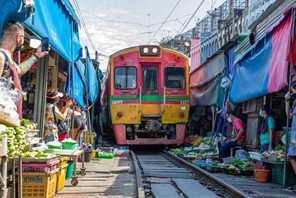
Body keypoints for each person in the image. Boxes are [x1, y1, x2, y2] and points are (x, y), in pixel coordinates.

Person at [0, 20, 50, 119]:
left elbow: (19, 70)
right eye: (24, 37)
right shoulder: (1, 57)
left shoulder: (7, 58)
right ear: (18, 38)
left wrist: (37, 55)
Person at [285, 81, 296, 191]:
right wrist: (287, 101)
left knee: (292, 157)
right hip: (294, 133)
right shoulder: (295, 103)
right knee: (292, 157)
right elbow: (289, 115)